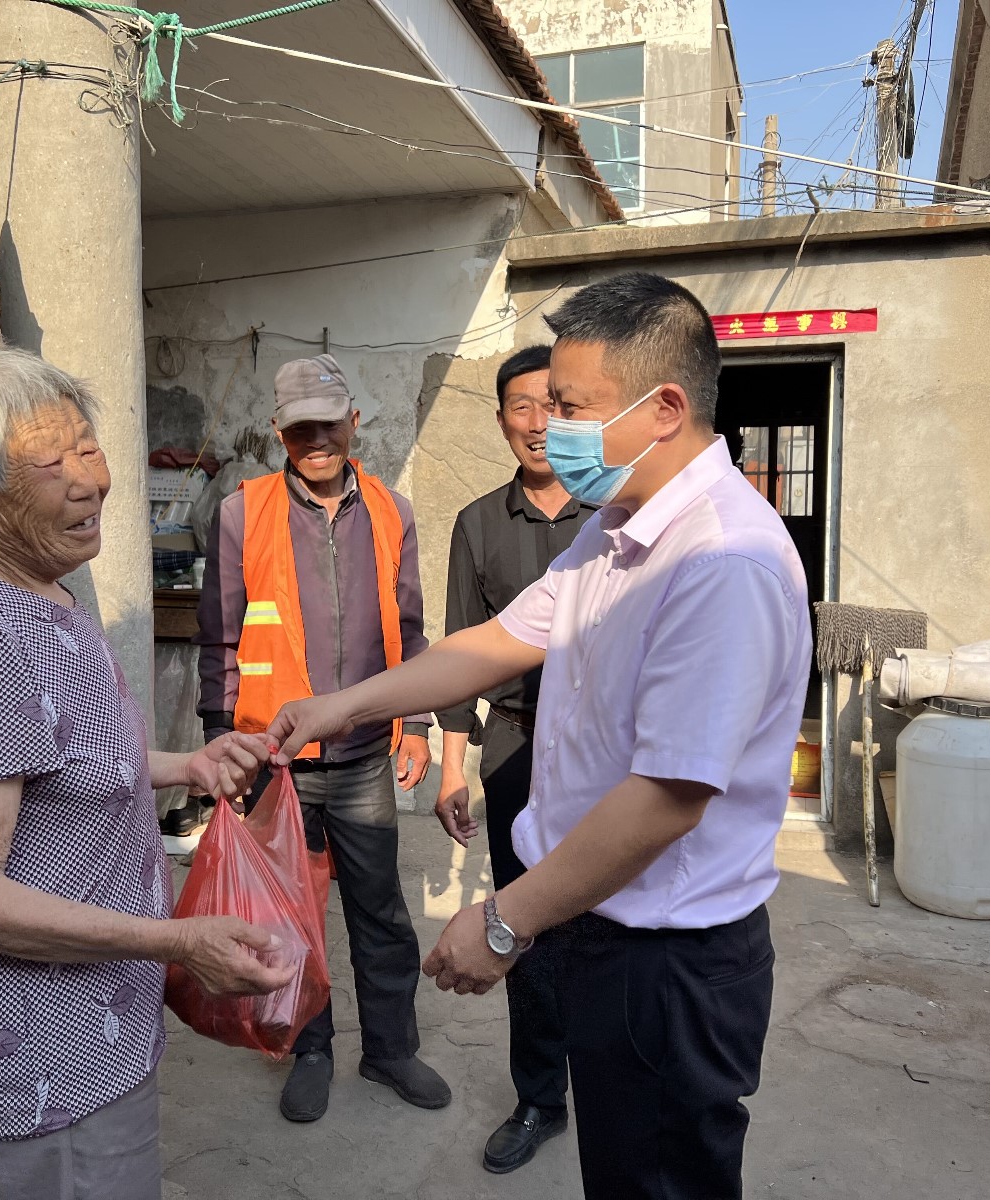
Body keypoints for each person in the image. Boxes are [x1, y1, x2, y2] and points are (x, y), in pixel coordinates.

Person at [266, 273, 811, 1200]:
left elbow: (665, 799)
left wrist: (506, 920)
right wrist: (340, 707)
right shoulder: (616, 526)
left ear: (664, 408)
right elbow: (493, 641)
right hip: (599, 922)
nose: (549, 427)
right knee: (620, 1166)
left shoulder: (723, 560)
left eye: (571, 406)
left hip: (668, 960)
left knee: (661, 1178)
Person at [0, 347, 293, 1200]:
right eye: (51, 461)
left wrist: (185, 764)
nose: (91, 481)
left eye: (88, 448)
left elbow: (53, 757)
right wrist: (179, 942)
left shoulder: (40, 591)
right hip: (50, 1053)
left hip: (102, 1016)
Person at [194, 354, 449, 1123]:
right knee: (291, 917)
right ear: (279, 431)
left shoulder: (393, 511)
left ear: (353, 422)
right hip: (275, 760)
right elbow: (220, 640)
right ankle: (310, 1049)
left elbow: (409, 630)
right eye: (300, 428)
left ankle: (390, 1050)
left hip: (365, 754)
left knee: (381, 910)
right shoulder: (241, 514)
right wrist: (221, 744)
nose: (316, 441)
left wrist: (415, 725)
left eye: (329, 425)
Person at [434, 344, 598, 1174]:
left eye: (551, 406)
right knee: (522, 921)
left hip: (602, 748)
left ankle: (608, 1080)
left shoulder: (614, 517)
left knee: (606, 916)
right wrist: (451, 766)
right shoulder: (477, 524)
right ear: (501, 419)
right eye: (520, 408)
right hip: (514, 744)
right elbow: (462, 649)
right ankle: (540, 1098)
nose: (537, 424)